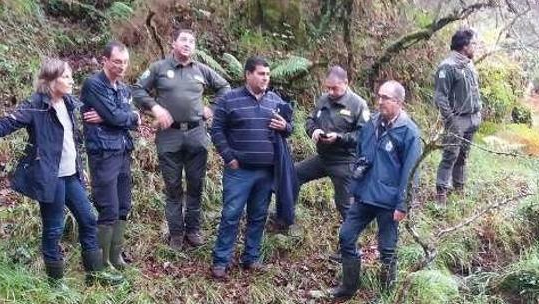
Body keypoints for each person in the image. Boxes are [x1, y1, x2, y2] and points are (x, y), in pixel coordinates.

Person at [0, 58, 101, 284]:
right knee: (54, 228)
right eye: (66, 76)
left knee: (88, 219)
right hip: (50, 179)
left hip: (71, 176)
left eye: (70, 76)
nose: (71, 80)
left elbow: (71, 140)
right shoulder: (36, 105)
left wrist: (79, 167)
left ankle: (95, 275)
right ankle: (56, 284)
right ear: (50, 80)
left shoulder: (68, 103)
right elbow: (6, 123)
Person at [131, 28, 230, 250]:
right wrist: (155, 107)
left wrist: (212, 108)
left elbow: (225, 87)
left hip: (196, 134)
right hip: (169, 136)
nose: (188, 44)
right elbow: (137, 90)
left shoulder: (202, 70)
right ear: (173, 43)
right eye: (183, 40)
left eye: (192, 41)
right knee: (173, 187)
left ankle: (193, 230)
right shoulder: (159, 68)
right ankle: (176, 233)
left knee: (196, 185)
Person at [330, 80, 422, 300]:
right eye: (378, 96)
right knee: (346, 236)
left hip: (389, 202)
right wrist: (354, 188)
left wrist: (403, 204)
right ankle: (349, 287)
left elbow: (411, 173)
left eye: (385, 98)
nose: (379, 101)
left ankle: (385, 297)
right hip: (364, 195)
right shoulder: (371, 122)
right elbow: (361, 155)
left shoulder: (409, 132)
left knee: (387, 249)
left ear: (398, 102)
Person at [209, 56, 293, 280]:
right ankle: (221, 261)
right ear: (248, 74)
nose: (265, 78)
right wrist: (229, 158)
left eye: (267, 74)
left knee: (258, 216)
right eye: (261, 73)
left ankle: (251, 258)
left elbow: (289, 129)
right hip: (239, 171)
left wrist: (285, 126)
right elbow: (216, 130)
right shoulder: (229, 99)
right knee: (230, 215)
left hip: (266, 172)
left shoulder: (275, 101)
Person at [80, 41, 140, 285]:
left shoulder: (124, 89)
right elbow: (117, 116)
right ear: (104, 60)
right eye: (117, 61)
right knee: (109, 207)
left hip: (123, 150)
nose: (122, 67)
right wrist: (118, 117)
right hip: (104, 153)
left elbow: (131, 117)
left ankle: (115, 257)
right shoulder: (94, 85)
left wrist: (119, 117)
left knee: (124, 205)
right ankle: (101, 264)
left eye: (125, 62)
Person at [297, 66, 370, 221]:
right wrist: (314, 130)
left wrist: (339, 138)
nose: (330, 92)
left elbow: (364, 136)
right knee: (293, 175)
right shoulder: (323, 99)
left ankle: (350, 242)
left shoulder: (358, 105)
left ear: (346, 83)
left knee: (345, 206)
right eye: (328, 88)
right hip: (323, 157)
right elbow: (310, 120)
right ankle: (286, 218)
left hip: (345, 161)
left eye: (334, 88)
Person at [434, 27, 482, 206]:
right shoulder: (447, 66)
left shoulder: (469, 64)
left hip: (472, 118)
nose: (475, 47)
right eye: (473, 44)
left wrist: (478, 113)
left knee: (463, 155)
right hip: (457, 119)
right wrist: (451, 120)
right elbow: (440, 97)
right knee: (450, 155)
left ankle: (459, 188)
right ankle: (441, 193)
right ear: (464, 46)